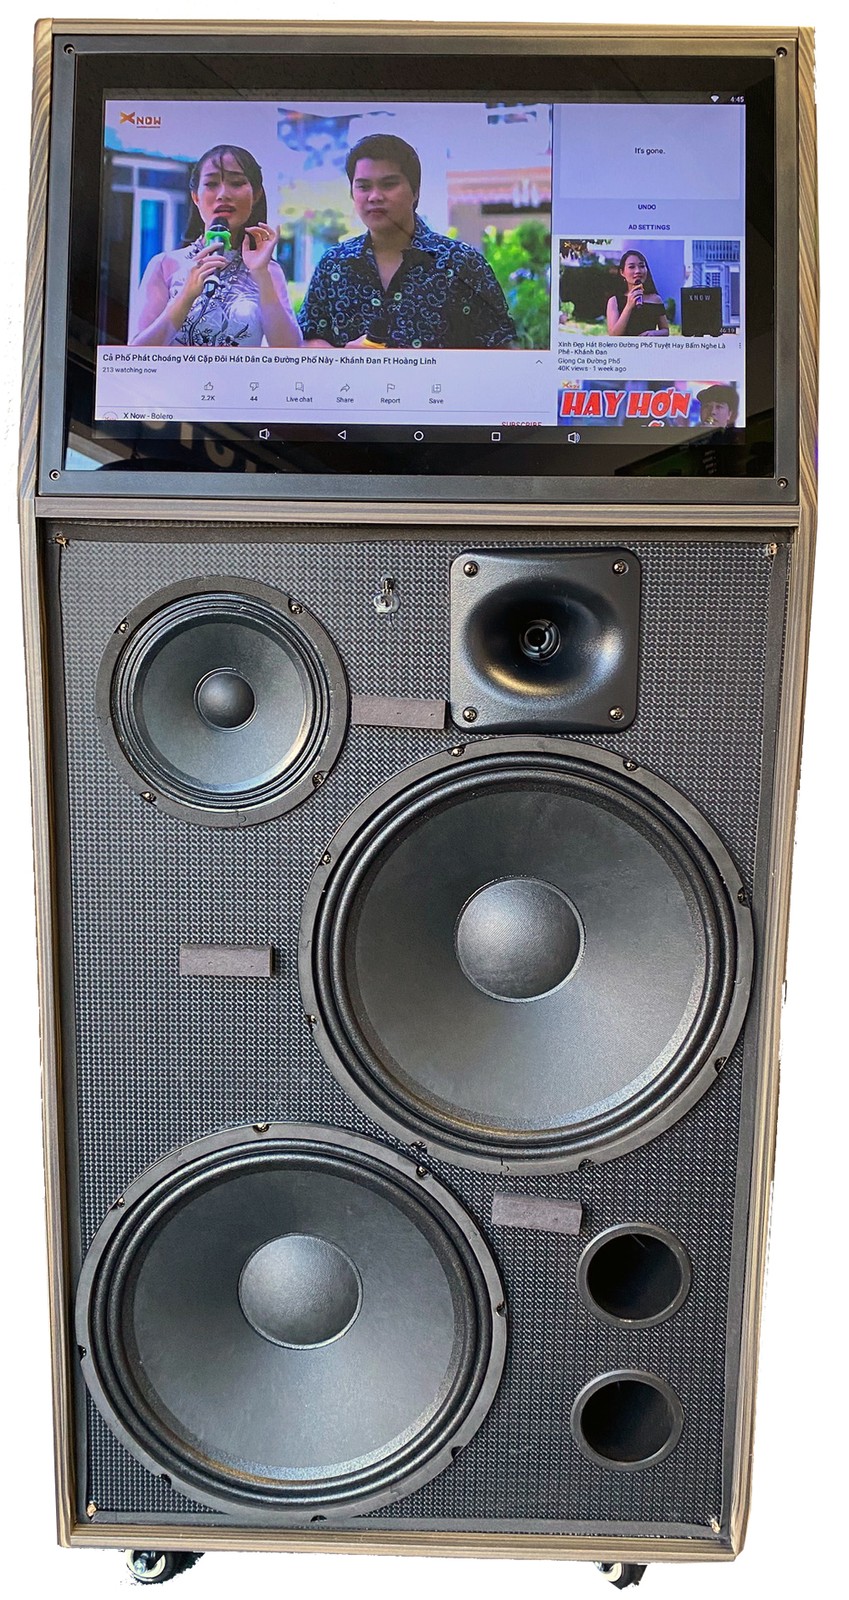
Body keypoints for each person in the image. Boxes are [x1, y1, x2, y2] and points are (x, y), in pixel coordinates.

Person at [298, 133, 517, 350]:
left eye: (388, 184)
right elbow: (308, 338)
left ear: (415, 192)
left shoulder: (461, 263)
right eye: (363, 186)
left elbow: (501, 350)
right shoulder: (334, 264)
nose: (374, 196)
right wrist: (345, 356)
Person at [130, 145, 301, 348]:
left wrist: (261, 274)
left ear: (256, 195)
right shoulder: (164, 265)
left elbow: (291, 351)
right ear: (195, 196)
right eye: (211, 184)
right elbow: (136, 354)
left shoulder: (269, 271)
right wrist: (185, 296)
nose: (223, 194)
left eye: (236, 183)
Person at [606, 250, 669, 337]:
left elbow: (665, 331)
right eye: (631, 267)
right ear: (622, 272)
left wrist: (654, 333)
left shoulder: (655, 299)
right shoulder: (614, 301)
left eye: (642, 266)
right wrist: (628, 306)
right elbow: (614, 335)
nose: (638, 271)